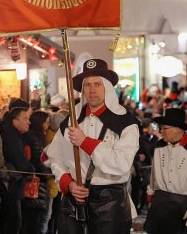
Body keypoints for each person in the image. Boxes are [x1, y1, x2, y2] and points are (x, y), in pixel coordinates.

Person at [45, 59, 140, 234]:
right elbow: (54, 157)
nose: (92, 89)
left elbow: (121, 164)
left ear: (107, 87)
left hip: (110, 204)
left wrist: (85, 142)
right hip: (74, 202)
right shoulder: (71, 120)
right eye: (87, 84)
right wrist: (68, 183)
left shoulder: (126, 122)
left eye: (97, 84)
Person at [145, 108, 187, 234]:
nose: (161, 131)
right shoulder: (158, 147)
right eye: (160, 128)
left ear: (177, 128)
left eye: (164, 128)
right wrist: (150, 196)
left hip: (181, 206)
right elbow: (154, 175)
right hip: (159, 202)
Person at [0, 107, 35, 234]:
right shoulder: (11, 138)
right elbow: (21, 163)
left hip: (13, 184)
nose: (29, 122)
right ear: (15, 121)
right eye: (25, 118)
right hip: (12, 185)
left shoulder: (15, 136)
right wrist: (31, 169)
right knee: (13, 222)